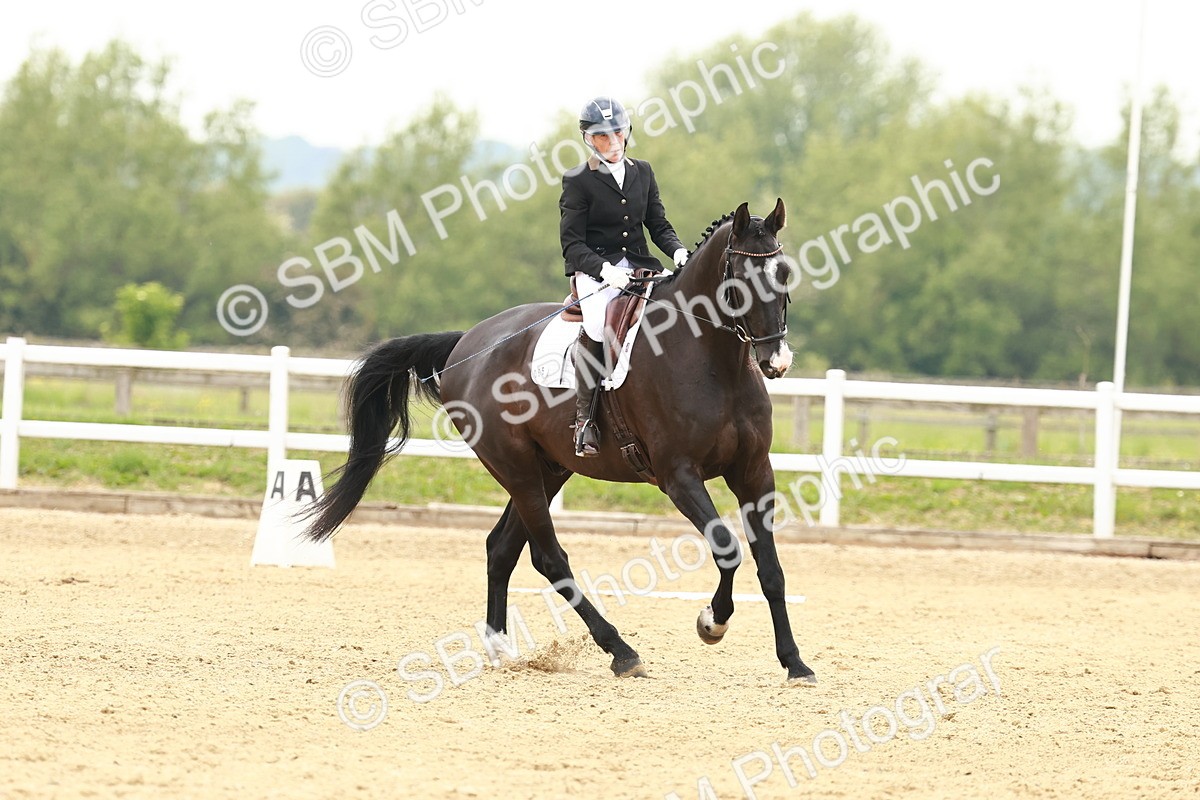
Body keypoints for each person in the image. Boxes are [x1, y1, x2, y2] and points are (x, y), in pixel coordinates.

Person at [560, 95, 689, 458]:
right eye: (603, 136)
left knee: (679, 306)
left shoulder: (642, 172)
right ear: (589, 139)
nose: (613, 141)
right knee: (599, 324)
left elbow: (658, 224)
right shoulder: (578, 181)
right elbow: (572, 245)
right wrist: (604, 271)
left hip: (641, 265)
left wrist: (677, 250)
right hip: (596, 272)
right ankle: (584, 420)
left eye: (618, 132)